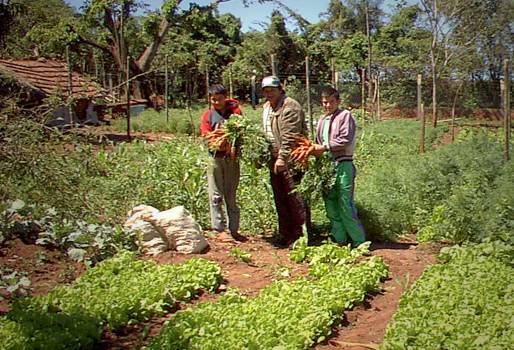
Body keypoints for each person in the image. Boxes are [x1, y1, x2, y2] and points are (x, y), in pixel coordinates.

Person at [310, 86, 366, 247]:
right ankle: (339, 238)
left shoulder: (345, 116)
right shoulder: (322, 120)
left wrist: (325, 147)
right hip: (327, 165)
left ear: (338, 101)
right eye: (324, 102)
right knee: (330, 204)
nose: (327, 105)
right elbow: (318, 142)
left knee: (345, 203)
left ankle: (358, 241)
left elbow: (345, 140)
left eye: (331, 102)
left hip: (343, 164)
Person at [261, 75, 310, 247]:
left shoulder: (290, 107)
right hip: (275, 158)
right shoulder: (267, 107)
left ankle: (301, 236)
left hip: (292, 158)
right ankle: (286, 233)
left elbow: (291, 137)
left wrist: (282, 158)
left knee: (295, 197)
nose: (269, 93)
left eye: (272, 90)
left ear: (280, 89)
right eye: (266, 91)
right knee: (280, 197)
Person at [200, 84, 245, 242]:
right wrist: (217, 141)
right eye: (213, 100)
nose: (216, 102)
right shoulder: (208, 115)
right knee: (215, 193)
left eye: (219, 99)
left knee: (231, 193)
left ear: (225, 97)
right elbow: (206, 135)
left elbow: (241, 132)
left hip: (231, 158)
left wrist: (230, 144)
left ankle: (234, 229)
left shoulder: (235, 113)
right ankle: (219, 228)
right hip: (215, 157)